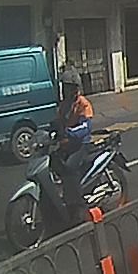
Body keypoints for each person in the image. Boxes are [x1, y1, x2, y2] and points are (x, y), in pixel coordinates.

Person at [55, 69, 94, 221]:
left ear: (75, 88)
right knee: (54, 161)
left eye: (68, 87)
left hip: (80, 144)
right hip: (67, 144)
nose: (65, 90)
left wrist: (69, 133)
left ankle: (79, 206)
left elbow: (86, 128)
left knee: (70, 167)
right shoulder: (64, 105)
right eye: (64, 87)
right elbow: (58, 121)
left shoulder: (83, 104)